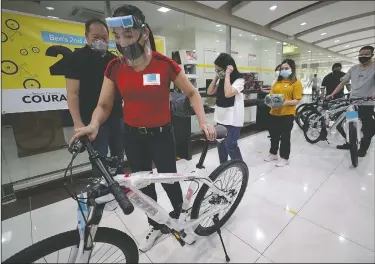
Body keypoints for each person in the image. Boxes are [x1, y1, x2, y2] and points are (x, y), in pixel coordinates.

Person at [70, 4, 216, 252]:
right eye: (117, 37)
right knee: (143, 186)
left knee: (170, 181)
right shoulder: (115, 67)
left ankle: (181, 224)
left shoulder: (163, 64)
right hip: (132, 136)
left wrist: (202, 120)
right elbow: (104, 105)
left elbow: (192, 93)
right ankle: (156, 225)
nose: (121, 42)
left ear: (143, 32)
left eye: (127, 35)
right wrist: (93, 123)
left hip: (161, 135)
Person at [65, 19, 124, 175]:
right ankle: (101, 193)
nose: (101, 41)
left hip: (117, 116)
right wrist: (77, 123)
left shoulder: (113, 59)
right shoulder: (76, 58)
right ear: (86, 36)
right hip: (93, 120)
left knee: (119, 154)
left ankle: (121, 187)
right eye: (96, 37)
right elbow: (72, 94)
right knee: (99, 157)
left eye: (104, 37)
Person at [326, 45, 375, 157]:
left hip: (366, 103)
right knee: (349, 124)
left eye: (366, 55)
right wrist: (332, 95)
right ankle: (350, 143)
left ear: (372, 55)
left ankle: (363, 148)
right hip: (352, 103)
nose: (363, 57)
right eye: (361, 55)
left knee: (369, 128)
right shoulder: (353, 68)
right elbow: (342, 83)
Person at [264, 59, 303, 167]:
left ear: (292, 69)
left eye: (287, 68)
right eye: (282, 69)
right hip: (274, 112)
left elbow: (297, 99)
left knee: (285, 136)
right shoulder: (277, 82)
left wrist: (286, 103)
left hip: (287, 114)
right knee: (274, 135)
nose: (284, 70)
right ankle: (273, 153)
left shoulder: (296, 83)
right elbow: (271, 95)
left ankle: (284, 157)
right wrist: (269, 101)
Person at [207, 53, 244, 163]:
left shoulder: (239, 80)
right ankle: (223, 166)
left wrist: (227, 74)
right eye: (216, 70)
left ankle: (239, 167)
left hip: (232, 120)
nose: (218, 72)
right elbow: (209, 92)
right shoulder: (221, 80)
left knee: (231, 145)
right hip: (220, 117)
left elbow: (228, 93)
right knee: (221, 144)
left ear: (228, 67)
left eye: (219, 70)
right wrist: (217, 76)